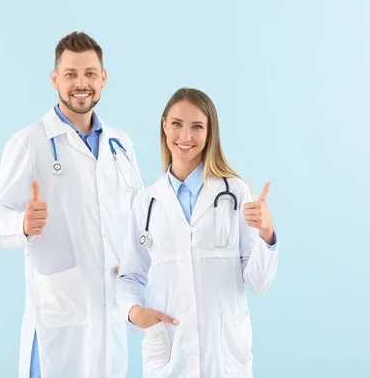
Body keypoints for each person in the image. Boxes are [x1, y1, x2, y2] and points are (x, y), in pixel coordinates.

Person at [0, 31, 143, 378]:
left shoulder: (121, 144)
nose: (80, 83)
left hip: (111, 312)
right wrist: (22, 224)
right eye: (70, 74)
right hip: (61, 317)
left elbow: (140, 219)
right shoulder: (30, 142)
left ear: (103, 78)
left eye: (89, 74)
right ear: (55, 79)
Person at [116, 87, 280, 377]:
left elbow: (256, 282)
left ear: (209, 132)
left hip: (224, 355)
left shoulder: (235, 193)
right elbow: (130, 276)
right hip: (169, 352)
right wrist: (135, 313)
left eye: (197, 127)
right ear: (164, 125)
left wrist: (267, 235)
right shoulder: (147, 203)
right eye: (177, 124)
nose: (186, 136)